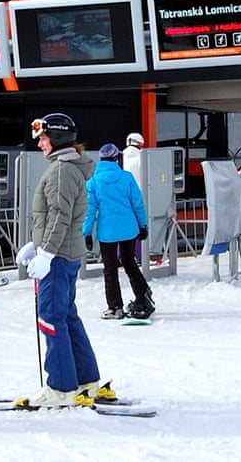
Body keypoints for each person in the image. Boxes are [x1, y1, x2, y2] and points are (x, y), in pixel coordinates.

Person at [15, 113, 108, 408]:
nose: (40, 144)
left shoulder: (60, 171)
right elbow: (57, 217)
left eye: (43, 138)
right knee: (67, 316)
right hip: (65, 252)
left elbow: (59, 215)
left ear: (56, 139)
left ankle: (61, 386)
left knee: (51, 318)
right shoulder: (69, 167)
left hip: (57, 257)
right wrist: (37, 243)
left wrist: (46, 252)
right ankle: (85, 379)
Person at [83, 143, 153, 321]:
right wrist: (143, 225)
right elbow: (137, 203)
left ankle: (115, 307)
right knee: (129, 263)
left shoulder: (93, 182)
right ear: (117, 158)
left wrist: (87, 232)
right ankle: (143, 294)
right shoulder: (126, 177)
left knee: (110, 268)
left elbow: (89, 210)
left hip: (107, 231)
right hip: (129, 228)